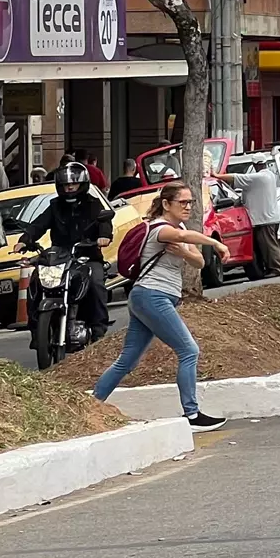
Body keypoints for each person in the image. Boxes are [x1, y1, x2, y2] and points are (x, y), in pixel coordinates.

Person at [92, 180, 230, 432]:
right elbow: (181, 236)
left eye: (191, 202)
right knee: (189, 351)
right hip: (151, 296)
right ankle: (192, 414)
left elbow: (198, 262)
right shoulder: (159, 228)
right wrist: (216, 243)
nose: (188, 207)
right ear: (166, 204)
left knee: (128, 361)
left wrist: (186, 253)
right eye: (183, 202)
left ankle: (91, 404)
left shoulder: (180, 228)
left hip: (151, 297)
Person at [12, 161, 114, 338]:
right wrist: (25, 240)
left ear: (82, 184)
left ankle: (98, 332)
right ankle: (37, 332)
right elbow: (38, 225)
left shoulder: (94, 204)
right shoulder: (54, 206)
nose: (69, 188)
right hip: (59, 257)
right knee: (36, 283)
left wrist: (103, 237)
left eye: (73, 184)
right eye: (66, 185)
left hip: (87, 256)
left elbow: (104, 222)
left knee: (96, 284)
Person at [216, 160, 280, 275]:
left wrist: (216, 175)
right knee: (267, 245)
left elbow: (235, 177)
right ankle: (271, 268)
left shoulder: (259, 178)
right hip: (269, 218)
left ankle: (278, 269)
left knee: (269, 246)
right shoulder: (269, 175)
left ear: (257, 165)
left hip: (264, 219)